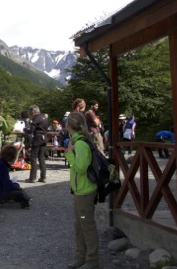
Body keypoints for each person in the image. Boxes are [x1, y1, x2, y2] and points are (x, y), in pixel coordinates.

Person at [64, 111, 99, 269]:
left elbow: (81, 168)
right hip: (79, 190)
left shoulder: (80, 144)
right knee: (79, 226)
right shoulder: (77, 141)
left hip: (85, 190)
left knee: (87, 226)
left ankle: (92, 261)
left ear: (68, 125)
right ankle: (80, 257)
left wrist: (69, 154)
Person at [26, 105, 48, 183]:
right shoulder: (44, 117)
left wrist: (25, 130)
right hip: (44, 138)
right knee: (41, 157)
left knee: (34, 157)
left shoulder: (36, 118)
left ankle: (32, 178)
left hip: (38, 137)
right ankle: (43, 177)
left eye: (30, 112)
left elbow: (31, 129)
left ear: (33, 111)